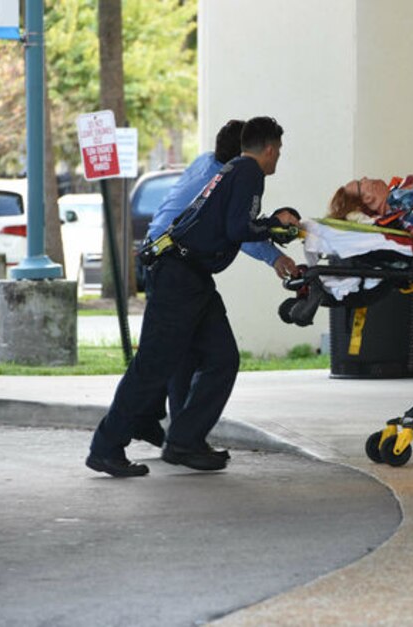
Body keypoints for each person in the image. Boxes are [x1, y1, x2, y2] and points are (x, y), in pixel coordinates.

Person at [86, 116, 301, 477]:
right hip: (177, 275)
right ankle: (107, 447)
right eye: (278, 149)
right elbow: (239, 227)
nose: (278, 156)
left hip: (191, 275)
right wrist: (275, 227)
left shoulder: (221, 168)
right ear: (268, 149)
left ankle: (184, 440)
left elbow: (228, 223)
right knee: (154, 365)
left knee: (221, 358)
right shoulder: (248, 171)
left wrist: (270, 234)